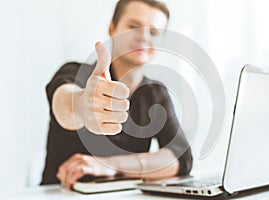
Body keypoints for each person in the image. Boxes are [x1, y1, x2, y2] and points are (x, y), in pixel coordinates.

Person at [41, 0, 193, 190]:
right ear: (112, 28)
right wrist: (82, 105)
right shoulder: (74, 73)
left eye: (153, 32)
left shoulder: (156, 93)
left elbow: (180, 157)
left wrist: (109, 165)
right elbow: (63, 102)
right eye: (133, 26)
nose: (144, 37)